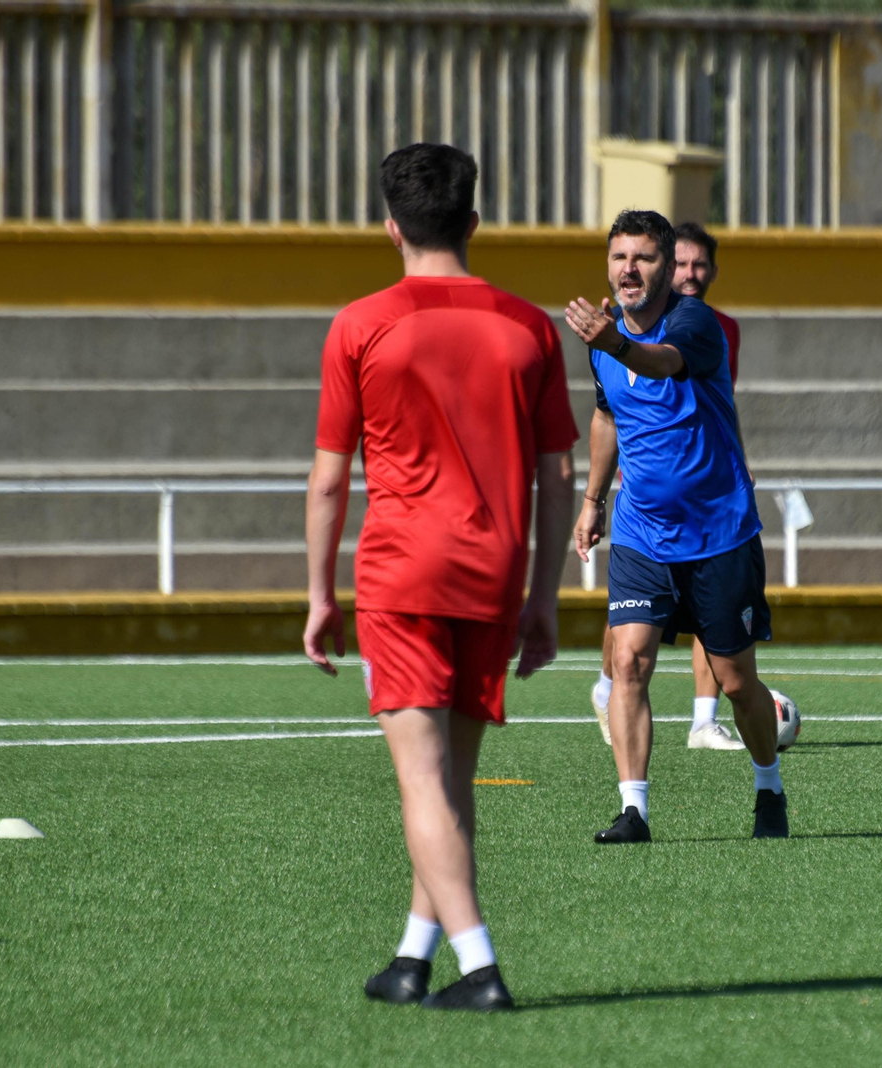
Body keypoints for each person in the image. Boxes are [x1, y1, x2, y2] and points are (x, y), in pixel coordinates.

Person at [305, 143, 578, 1011]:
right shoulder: (529, 326)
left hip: (404, 573)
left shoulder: (360, 324)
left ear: (391, 227)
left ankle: (481, 967)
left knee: (423, 782)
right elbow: (558, 476)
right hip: (494, 573)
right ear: (474, 221)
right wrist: (543, 599)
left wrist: (318, 596)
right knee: (452, 781)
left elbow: (328, 480)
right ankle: (412, 959)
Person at [565, 209, 789, 844]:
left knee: (737, 682)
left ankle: (769, 787)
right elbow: (607, 416)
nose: (629, 269)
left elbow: (662, 363)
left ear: (667, 268)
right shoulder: (605, 336)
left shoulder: (695, 323)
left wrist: (612, 342)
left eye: (644, 257)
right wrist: (592, 500)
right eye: (619, 257)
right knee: (629, 661)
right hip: (641, 531)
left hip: (719, 533)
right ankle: (633, 810)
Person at [588, 221, 746, 752]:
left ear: (714, 271)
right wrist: (593, 500)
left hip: (709, 506)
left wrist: (738, 461)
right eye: (681, 264)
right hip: (644, 505)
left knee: (722, 646)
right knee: (631, 638)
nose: (690, 274)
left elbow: (711, 398)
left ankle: (707, 723)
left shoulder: (709, 325)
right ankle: (609, 692)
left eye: (699, 265)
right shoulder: (613, 329)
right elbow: (607, 413)